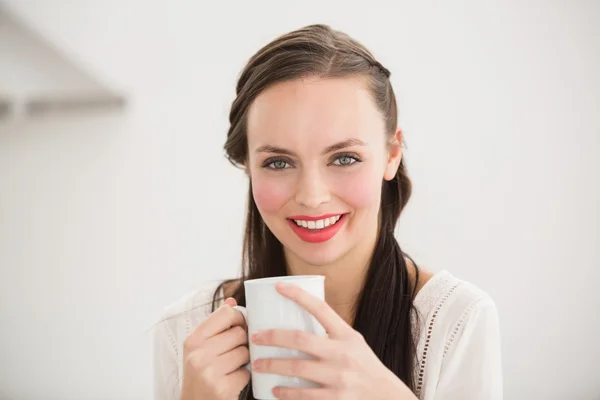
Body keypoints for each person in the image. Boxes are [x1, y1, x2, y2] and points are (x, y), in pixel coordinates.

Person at [153, 24, 502, 400]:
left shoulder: (456, 321)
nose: (312, 197)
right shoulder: (187, 333)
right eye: (278, 163)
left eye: (345, 158)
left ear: (392, 154)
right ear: (248, 166)